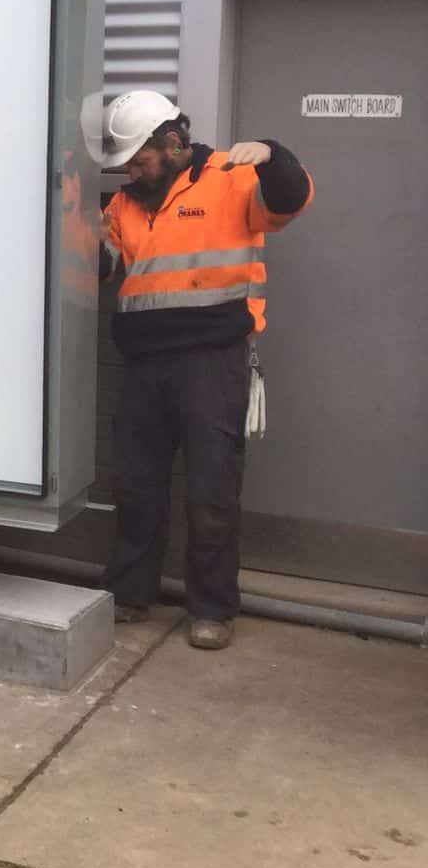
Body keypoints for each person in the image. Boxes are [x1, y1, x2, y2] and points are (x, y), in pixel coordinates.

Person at [93, 90, 312, 651]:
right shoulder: (124, 206)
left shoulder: (231, 178)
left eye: (139, 161)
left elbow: (290, 199)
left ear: (171, 144)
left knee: (212, 490)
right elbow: (99, 268)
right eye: (126, 166)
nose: (133, 173)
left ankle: (211, 608)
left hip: (212, 362)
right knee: (138, 487)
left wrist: (272, 152)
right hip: (144, 364)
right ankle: (130, 594)